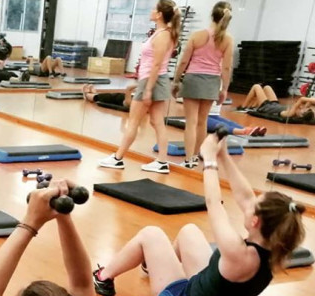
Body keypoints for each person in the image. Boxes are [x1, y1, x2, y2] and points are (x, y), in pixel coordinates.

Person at [94, 132, 306, 296]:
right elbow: (246, 197)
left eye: (253, 206)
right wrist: (223, 155)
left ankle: (103, 277)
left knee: (151, 234)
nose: (249, 203)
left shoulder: (238, 253)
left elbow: (214, 203)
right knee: (190, 231)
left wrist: (209, 160)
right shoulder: (273, 248)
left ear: (255, 222)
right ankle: (155, 265)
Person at [99, 0, 181, 174]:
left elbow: (156, 65)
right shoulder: (161, 33)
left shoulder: (163, 35)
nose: (151, 11)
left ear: (159, 14)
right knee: (157, 122)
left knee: (134, 122)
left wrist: (148, 89)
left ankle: (118, 158)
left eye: (154, 9)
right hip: (153, 79)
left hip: (152, 80)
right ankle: (162, 162)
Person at [171, 2, 234, 168]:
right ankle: (196, 156)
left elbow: (183, 61)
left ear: (212, 15)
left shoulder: (197, 36)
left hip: (193, 79)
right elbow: (226, 68)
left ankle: (189, 160)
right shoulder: (227, 40)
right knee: (202, 121)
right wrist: (224, 89)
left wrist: (176, 81)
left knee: (191, 122)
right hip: (212, 82)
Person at [237, 84, 315, 123]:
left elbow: (301, 99)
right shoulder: (300, 113)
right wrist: (308, 105)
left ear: (301, 115)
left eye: (304, 110)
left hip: (266, 107)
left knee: (256, 86)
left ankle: (243, 107)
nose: (304, 108)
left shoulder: (291, 113)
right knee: (267, 87)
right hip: (275, 105)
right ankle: (253, 106)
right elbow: (308, 103)